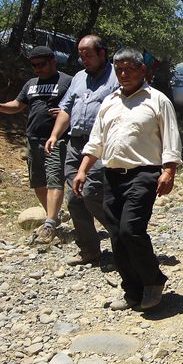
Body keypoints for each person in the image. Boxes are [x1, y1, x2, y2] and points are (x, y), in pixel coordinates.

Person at [73, 48, 181, 311]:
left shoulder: (157, 100)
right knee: (116, 235)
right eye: (119, 69)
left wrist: (169, 171)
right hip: (112, 175)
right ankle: (132, 290)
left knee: (130, 230)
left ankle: (153, 281)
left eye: (129, 69)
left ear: (142, 70)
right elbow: (96, 141)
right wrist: (82, 170)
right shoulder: (109, 101)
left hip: (144, 174)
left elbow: (171, 138)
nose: (123, 74)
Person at [45, 35, 118, 266]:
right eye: (81, 55)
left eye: (88, 55)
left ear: (101, 53)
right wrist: (55, 135)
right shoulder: (78, 77)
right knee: (75, 199)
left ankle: (123, 237)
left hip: (101, 146)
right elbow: (66, 109)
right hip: (74, 144)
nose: (83, 59)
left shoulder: (118, 76)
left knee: (91, 193)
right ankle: (89, 250)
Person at [0, 46, 72, 243]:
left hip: (57, 139)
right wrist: (1, 107)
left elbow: (80, 105)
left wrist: (67, 113)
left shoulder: (67, 81)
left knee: (54, 179)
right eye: (34, 65)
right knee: (38, 182)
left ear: (53, 61)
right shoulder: (31, 84)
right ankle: (53, 217)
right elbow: (17, 105)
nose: (37, 68)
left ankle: (50, 224)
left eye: (41, 64)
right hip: (32, 139)